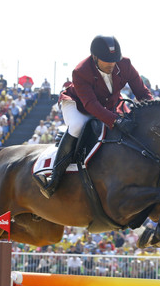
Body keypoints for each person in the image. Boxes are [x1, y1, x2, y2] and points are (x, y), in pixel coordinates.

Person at [35, 35, 153, 198]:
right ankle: (54, 179)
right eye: (107, 60)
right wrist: (115, 120)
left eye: (114, 60)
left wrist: (153, 109)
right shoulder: (81, 71)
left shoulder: (124, 64)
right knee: (77, 126)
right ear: (95, 57)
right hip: (78, 104)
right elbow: (91, 105)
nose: (112, 64)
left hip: (109, 104)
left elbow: (141, 92)